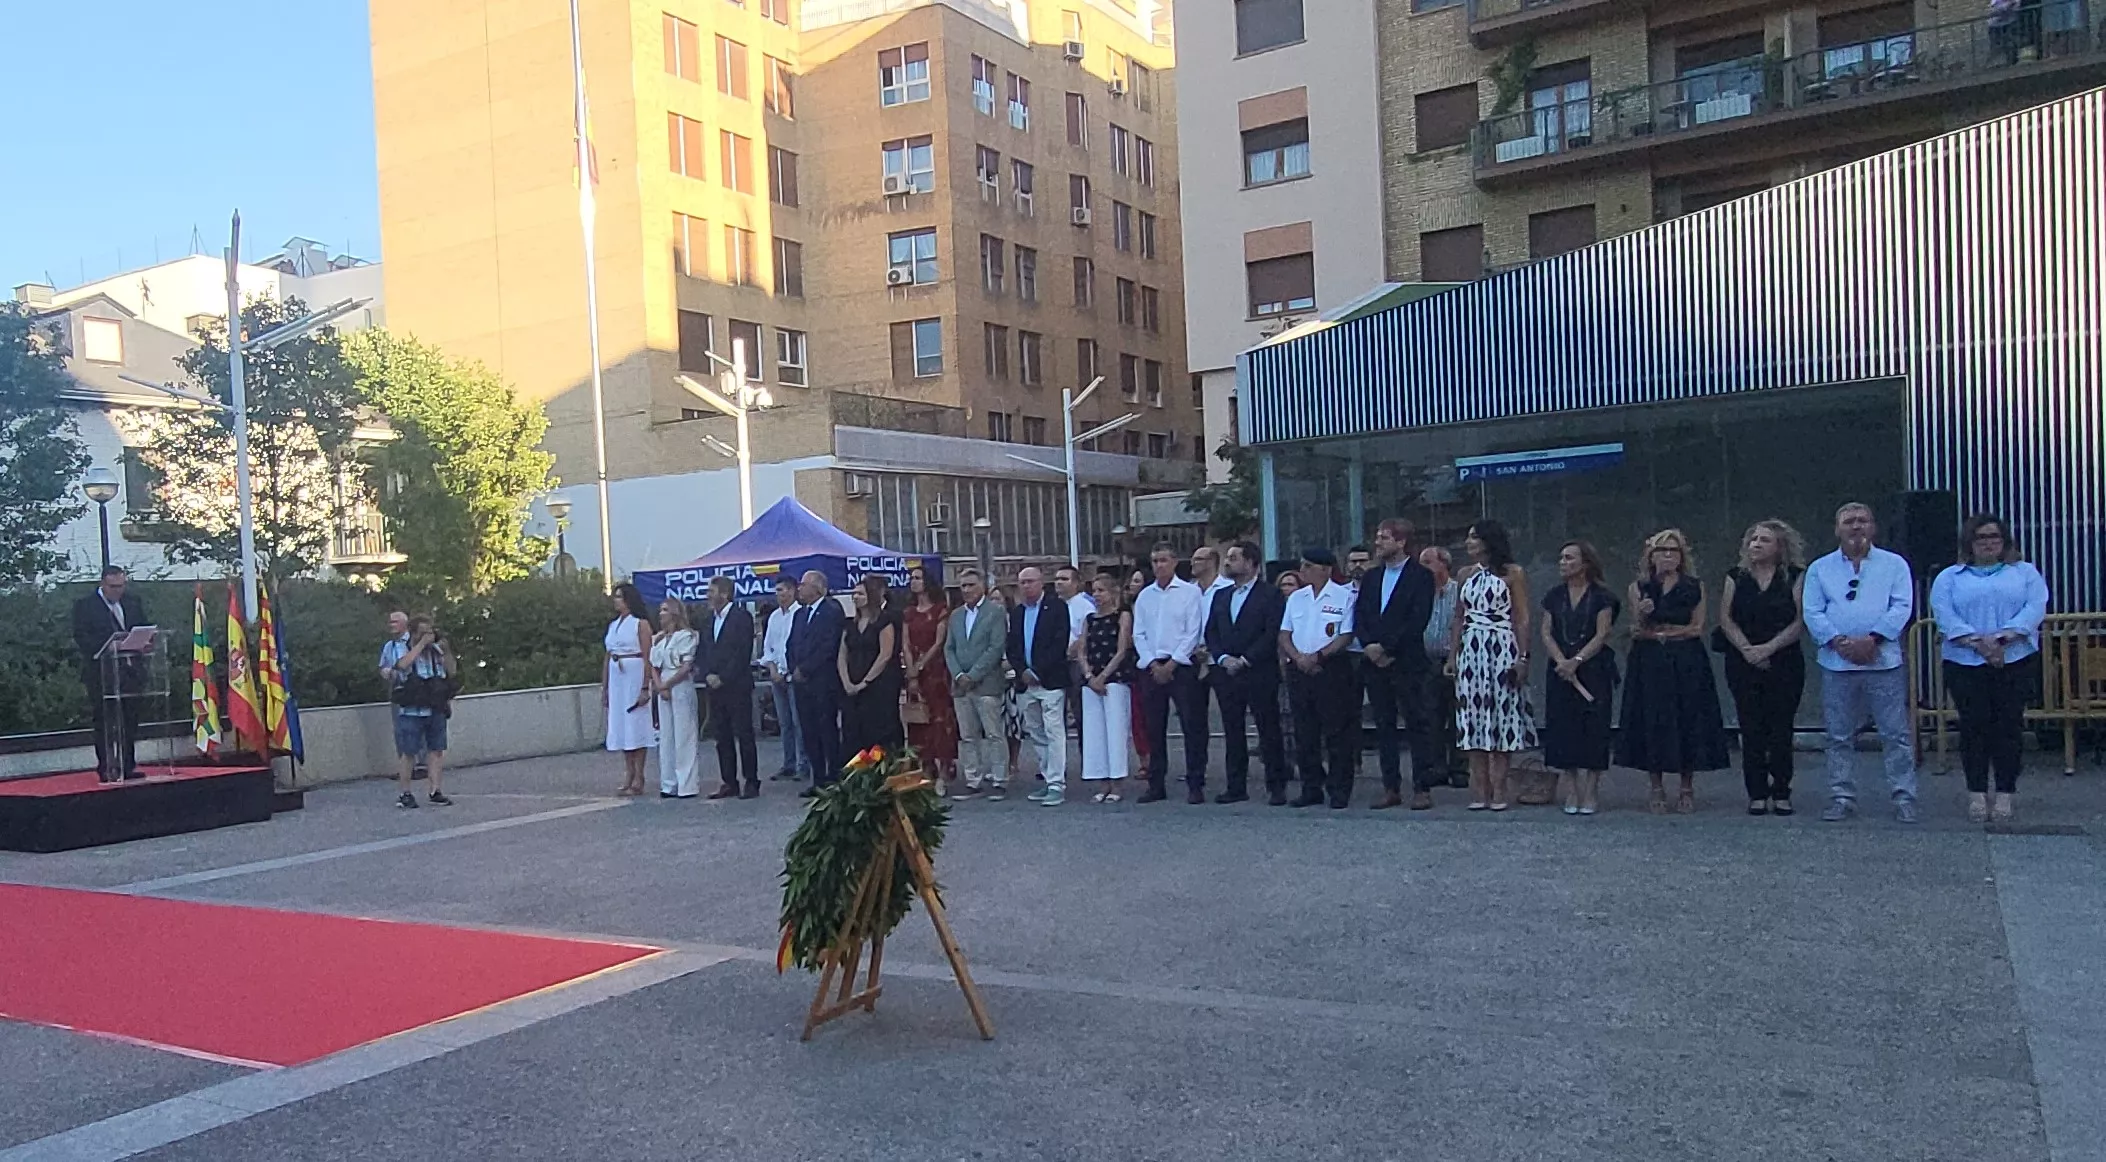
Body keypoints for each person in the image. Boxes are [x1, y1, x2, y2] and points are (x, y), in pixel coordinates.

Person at [1930, 513, 2050, 824]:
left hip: (2015, 659)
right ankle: (1976, 794)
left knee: (2009, 727)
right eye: (1981, 538)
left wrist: (2002, 639)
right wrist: (1978, 644)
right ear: (1969, 543)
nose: (1988, 543)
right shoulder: (1950, 577)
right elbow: (1945, 613)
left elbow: (2034, 608)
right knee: (1974, 727)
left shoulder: (2024, 573)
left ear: (2004, 541)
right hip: (1964, 661)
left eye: (1994, 537)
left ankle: (2006, 794)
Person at [1803, 502, 1918, 823]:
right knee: (1839, 735)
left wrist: (1873, 639)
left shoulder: (1894, 565)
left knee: (1894, 733)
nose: (1856, 527)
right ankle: (1841, 796)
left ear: (1873, 527)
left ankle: (1904, 796)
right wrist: (1840, 642)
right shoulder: (1820, 568)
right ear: (1837, 529)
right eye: (1849, 521)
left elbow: (1902, 606)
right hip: (1837, 664)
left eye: (1863, 520)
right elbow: (1813, 611)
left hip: (1883, 661)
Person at [1617, 529, 1729, 814]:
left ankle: (1686, 786)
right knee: (1652, 719)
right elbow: (1636, 630)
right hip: (1650, 661)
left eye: (1673, 551)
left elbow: (1696, 627)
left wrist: (1667, 633)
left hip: (1686, 659)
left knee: (1688, 718)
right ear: (1651, 556)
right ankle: (1656, 786)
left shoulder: (1694, 586)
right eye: (1662, 551)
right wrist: (1643, 615)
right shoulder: (1639, 587)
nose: (1668, 556)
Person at [1719, 520, 1809, 816]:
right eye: (1753, 539)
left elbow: (1799, 621)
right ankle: (1756, 792)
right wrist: (1748, 650)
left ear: (1780, 547)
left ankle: (1782, 790)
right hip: (1743, 660)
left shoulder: (1795, 576)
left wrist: (1768, 649)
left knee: (1781, 727)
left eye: (1764, 540)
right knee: (1751, 727)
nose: (1756, 544)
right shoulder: (1736, 576)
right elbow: (1726, 618)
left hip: (1783, 659)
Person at [1448, 521, 1535, 811]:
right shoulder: (1464, 574)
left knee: (1502, 714)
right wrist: (1453, 655)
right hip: (1472, 649)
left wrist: (1523, 657)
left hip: (1500, 646)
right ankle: (1479, 789)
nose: (1468, 542)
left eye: (1474, 537)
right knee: (1472, 717)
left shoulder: (1512, 574)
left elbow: (1521, 617)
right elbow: (1459, 617)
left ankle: (1499, 789)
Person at [1353, 520, 1439, 810]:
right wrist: (1369, 646)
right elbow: (1361, 615)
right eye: (1377, 537)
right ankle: (1390, 786)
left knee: (1417, 723)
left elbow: (1417, 618)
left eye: (1384, 538)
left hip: (1406, 661)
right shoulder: (1372, 577)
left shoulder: (1421, 576)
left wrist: (1388, 647)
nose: (1378, 543)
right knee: (1384, 725)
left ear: (1401, 542)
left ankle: (1422, 786)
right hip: (1375, 663)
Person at [1539, 541, 1619, 815]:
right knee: (1564, 727)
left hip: (1593, 669)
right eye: (1561, 557)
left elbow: (1602, 633)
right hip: (1560, 669)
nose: (1563, 562)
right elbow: (1547, 632)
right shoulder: (1554, 596)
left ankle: (1591, 789)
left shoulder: (1603, 597)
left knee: (1594, 727)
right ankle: (1571, 787)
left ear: (1585, 564)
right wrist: (1562, 661)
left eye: (1569, 558)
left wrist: (1578, 660)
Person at [1205, 540, 1286, 804]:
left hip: (1258, 670)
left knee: (1268, 728)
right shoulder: (1222, 595)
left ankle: (1276, 785)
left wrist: (1247, 659)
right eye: (1228, 557)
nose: (1228, 562)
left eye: (1234, 557)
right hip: (1227, 672)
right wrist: (1223, 658)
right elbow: (1212, 631)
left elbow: (1271, 632)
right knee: (1232, 730)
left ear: (1251, 563)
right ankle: (1236, 785)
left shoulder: (1270, 595)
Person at [1280, 548, 1359, 809]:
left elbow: (1345, 635)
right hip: (1299, 669)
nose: (1302, 571)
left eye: (1308, 566)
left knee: (1336, 731)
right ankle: (1311, 787)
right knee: (1305, 732)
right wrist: (1298, 657)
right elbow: (1284, 634)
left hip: (1330, 669)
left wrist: (1319, 657)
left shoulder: (1344, 596)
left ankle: (1339, 788)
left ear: (1324, 569)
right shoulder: (1297, 598)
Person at [1133, 543, 1210, 803]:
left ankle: (1195, 783)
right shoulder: (1145, 596)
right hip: (1152, 667)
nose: (1158, 566)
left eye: (1163, 560)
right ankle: (1156, 784)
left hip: (1181, 667)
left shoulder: (1190, 593)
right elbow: (1138, 633)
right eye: (1154, 561)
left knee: (1192, 726)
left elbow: (1193, 631)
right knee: (1155, 728)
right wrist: (1153, 663)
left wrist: (1172, 663)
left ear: (1175, 562)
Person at [73, 566, 148, 781]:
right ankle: (106, 766)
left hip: (130, 671)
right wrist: (107, 647)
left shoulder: (132, 602)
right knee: (105, 721)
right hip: (101, 673)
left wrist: (146, 641)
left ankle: (127, 765)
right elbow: (81, 637)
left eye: (122, 586)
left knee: (130, 720)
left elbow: (142, 626)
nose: (118, 591)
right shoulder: (85, 606)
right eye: (113, 587)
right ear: (103, 584)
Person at [1008, 566, 1074, 805]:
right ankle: (1047, 778)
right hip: (1026, 683)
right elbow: (1012, 646)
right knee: (1036, 732)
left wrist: (1037, 671)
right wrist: (1022, 671)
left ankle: (1057, 783)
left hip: (1050, 681)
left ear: (1041, 583)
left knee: (1054, 731)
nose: (1026, 586)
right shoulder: (1017, 613)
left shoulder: (1057, 608)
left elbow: (1059, 643)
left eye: (1030, 581)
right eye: (1022, 582)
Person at [945, 569, 1010, 799]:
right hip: (961, 686)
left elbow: (995, 648)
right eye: (963, 586)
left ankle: (999, 780)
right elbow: (949, 648)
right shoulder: (955, 616)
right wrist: (958, 674)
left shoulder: (995, 612)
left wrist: (972, 675)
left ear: (982, 585)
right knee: (967, 736)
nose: (966, 590)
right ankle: (973, 781)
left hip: (987, 684)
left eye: (971, 585)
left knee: (994, 734)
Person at [787, 570, 846, 795]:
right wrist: (794, 667)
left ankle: (833, 776)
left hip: (823, 681)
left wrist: (807, 668)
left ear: (818, 587)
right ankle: (818, 777)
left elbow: (828, 645)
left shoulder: (831, 610)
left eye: (803, 584)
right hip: (802, 683)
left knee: (826, 729)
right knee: (808, 731)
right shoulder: (800, 615)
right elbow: (791, 644)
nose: (799, 589)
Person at [1078, 572, 1136, 801]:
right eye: (1094, 590)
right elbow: (1081, 650)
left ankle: (1117, 783)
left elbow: (1122, 650)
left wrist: (1104, 676)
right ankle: (1101, 782)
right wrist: (1090, 676)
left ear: (1113, 593)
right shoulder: (1089, 619)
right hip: (1091, 680)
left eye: (1101, 590)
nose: (1097, 595)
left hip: (1115, 678)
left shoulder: (1122, 616)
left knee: (1115, 731)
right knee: (1094, 733)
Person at [700, 577, 759, 799]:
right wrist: (707, 673)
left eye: (711, 591)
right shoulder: (709, 620)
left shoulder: (741, 617)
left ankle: (751, 781)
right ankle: (729, 781)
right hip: (714, 688)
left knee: (743, 734)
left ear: (724, 594)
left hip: (737, 686)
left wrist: (723, 676)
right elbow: (704, 650)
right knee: (721, 736)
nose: (708, 595)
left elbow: (742, 652)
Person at [902, 568, 959, 785]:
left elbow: (939, 640)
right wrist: (911, 668)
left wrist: (922, 664)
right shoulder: (909, 612)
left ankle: (945, 767)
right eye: (912, 579)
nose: (913, 582)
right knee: (918, 721)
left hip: (936, 670)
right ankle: (925, 767)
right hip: (914, 671)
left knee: (939, 720)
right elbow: (905, 642)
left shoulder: (940, 610)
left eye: (918, 578)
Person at [839, 575, 903, 760]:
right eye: (854, 593)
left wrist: (865, 682)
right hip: (852, 685)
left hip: (878, 686)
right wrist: (847, 682)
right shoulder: (850, 624)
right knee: (854, 732)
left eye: (860, 593)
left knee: (880, 733)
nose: (855, 597)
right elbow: (842, 655)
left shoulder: (884, 620)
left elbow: (885, 654)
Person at [1420, 546, 1469, 789]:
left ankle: (1459, 767)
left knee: (1457, 715)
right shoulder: (1420, 594)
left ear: (1443, 564)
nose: (1424, 568)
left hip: (1456, 660)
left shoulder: (1458, 592)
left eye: (1428, 562)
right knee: (1431, 716)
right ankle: (1436, 766)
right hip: (1427, 662)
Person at [603, 583, 658, 797]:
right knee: (622, 725)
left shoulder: (640, 624)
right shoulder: (613, 625)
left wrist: (646, 686)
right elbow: (607, 656)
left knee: (636, 724)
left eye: (619, 597)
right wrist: (605, 686)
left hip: (634, 673)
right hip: (617, 675)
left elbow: (647, 656)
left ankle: (639, 775)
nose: (616, 600)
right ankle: (629, 772)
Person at [650, 598, 701, 799]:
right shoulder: (659, 639)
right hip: (663, 681)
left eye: (664, 610)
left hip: (679, 683)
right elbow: (652, 664)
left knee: (684, 735)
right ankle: (668, 782)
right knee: (667, 736)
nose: (661, 614)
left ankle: (687, 784)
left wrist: (667, 684)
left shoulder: (686, 636)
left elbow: (686, 665)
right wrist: (659, 686)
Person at [761, 577, 808, 783]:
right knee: (784, 722)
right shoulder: (774, 617)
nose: (779, 594)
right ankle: (788, 763)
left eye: (782, 590)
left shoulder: (800, 614)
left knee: (799, 722)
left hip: (793, 676)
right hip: (777, 675)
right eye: (777, 591)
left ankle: (803, 763)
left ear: (792, 591)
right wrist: (772, 668)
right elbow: (768, 647)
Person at [1274, 568, 1304, 793]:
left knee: (1300, 719)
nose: (1287, 589)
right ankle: (1284, 762)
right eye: (1283, 585)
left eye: (1291, 584)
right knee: (1282, 718)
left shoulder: (1303, 607)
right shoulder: (1274, 610)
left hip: (1300, 665)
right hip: (1276, 669)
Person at [1124, 568, 1154, 770]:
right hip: (1132, 665)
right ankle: (1143, 759)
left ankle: (1153, 759)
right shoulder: (1126, 610)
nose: (1132, 585)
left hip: (1150, 660)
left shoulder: (1151, 605)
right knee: (1136, 717)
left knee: (1149, 715)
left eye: (1137, 581)